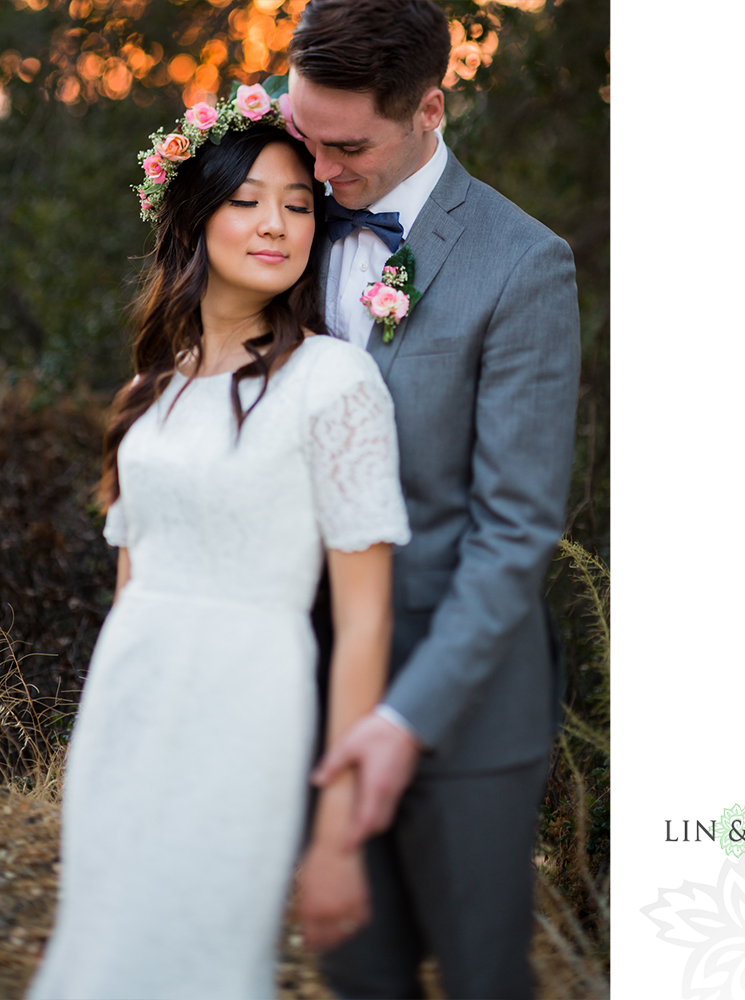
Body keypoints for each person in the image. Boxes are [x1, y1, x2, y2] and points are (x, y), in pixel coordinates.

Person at [27, 89, 410, 999]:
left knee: (202, 956)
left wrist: (336, 827)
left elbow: (363, 625)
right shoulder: (145, 394)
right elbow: (132, 585)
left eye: (298, 203)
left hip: (249, 706)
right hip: (129, 711)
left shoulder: (335, 380)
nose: (276, 224)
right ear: (196, 218)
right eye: (246, 201)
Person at [285, 2, 582, 997]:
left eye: (349, 146)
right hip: (311, 690)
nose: (321, 174)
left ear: (429, 109)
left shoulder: (522, 264)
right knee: (358, 979)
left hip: (463, 714)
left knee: (481, 978)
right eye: (303, 138)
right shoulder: (279, 225)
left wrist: (405, 719)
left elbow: (514, 533)